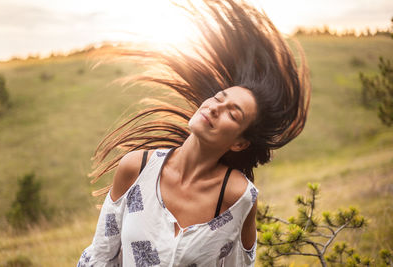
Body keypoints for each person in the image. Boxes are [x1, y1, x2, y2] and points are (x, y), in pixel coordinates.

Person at [77, 0, 311, 266]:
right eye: (218, 98)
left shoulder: (237, 197)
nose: (214, 108)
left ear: (239, 143)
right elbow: (100, 256)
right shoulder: (136, 167)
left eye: (232, 114)